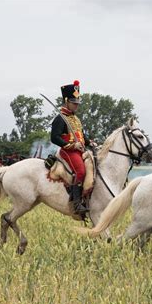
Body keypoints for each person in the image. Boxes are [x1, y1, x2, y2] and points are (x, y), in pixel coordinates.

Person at [50, 80, 93, 215]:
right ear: (66, 101)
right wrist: (70, 145)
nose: (76, 106)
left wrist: (89, 142)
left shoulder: (76, 119)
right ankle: (76, 203)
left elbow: (81, 136)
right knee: (80, 171)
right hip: (68, 151)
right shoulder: (60, 118)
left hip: (79, 150)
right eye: (74, 103)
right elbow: (54, 137)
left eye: (77, 103)